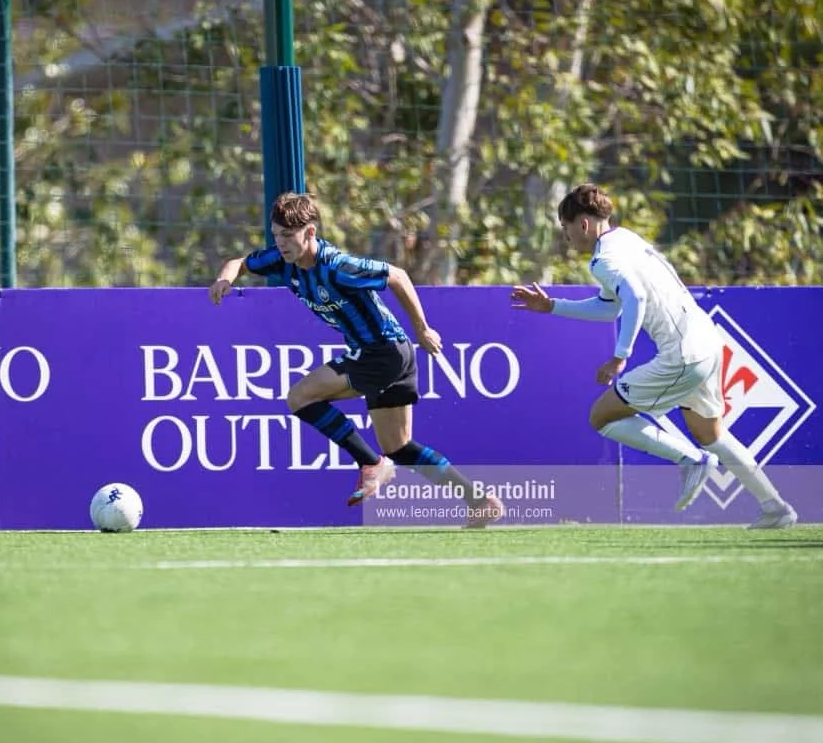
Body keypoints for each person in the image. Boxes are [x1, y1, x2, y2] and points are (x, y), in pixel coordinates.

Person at [510, 183, 797, 529]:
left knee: (602, 417)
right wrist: (553, 306)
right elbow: (610, 307)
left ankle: (690, 460)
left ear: (583, 224)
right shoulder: (625, 239)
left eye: (565, 227)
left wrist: (620, 356)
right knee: (711, 433)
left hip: (683, 355)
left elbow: (635, 298)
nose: (566, 236)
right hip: (708, 342)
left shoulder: (603, 261)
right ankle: (775, 507)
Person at [209, 191, 501, 526]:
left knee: (300, 396)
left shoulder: (336, 266)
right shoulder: (280, 259)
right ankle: (480, 501)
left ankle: (370, 463)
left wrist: (422, 329)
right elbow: (240, 262)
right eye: (276, 235)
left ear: (310, 232)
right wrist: (224, 279)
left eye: (288, 235)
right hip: (390, 354)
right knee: (399, 446)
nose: (281, 243)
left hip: (383, 352)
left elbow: (398, 276)